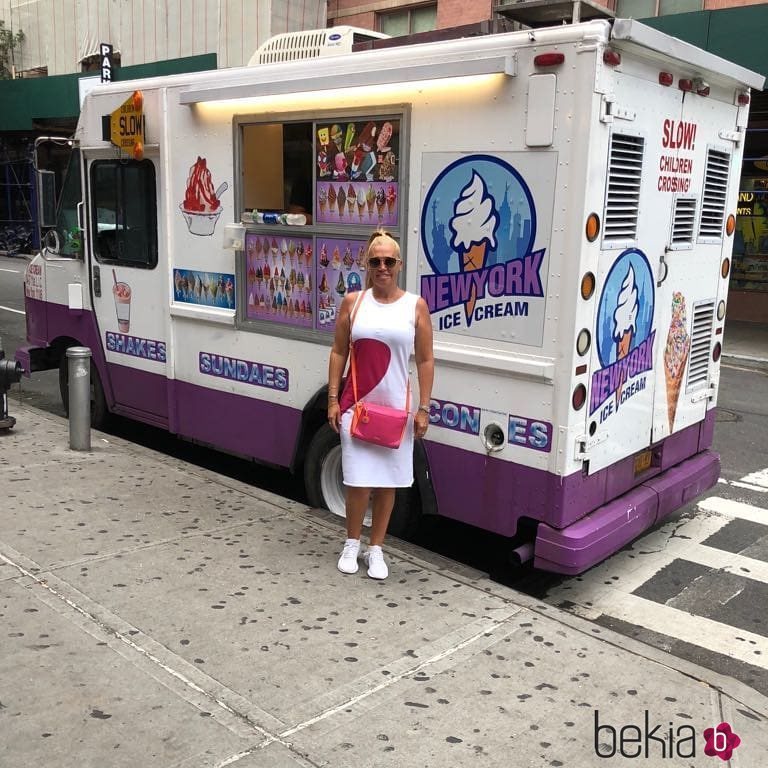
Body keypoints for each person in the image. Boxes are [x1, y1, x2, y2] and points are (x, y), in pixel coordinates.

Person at [326, 231, 434, 579]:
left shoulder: (415, 305)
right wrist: (331, 399)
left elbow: (426, 360)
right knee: (358, 482)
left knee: (387, 484)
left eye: (389, 261)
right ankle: (351, 543)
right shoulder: (353, 303)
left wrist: (424, 408)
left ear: (399, 264)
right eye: (376, 261)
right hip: (355, 407)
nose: (382, 267)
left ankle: (376, 549)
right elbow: (339, 351)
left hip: (395, 411)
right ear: (366, 265)